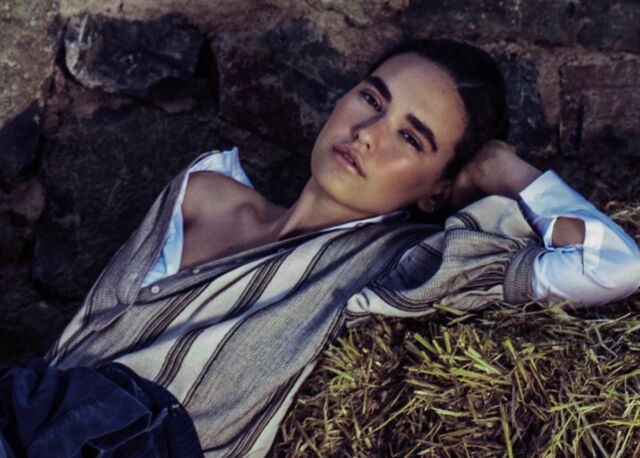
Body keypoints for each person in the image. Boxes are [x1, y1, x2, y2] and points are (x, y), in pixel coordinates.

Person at [1, 39, 639, 457]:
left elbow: (613, 266)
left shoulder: (401, 261)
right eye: (372, 99)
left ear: (438, 188)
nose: (367, 134)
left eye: (411, 138)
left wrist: (507, 172)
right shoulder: (202, 191)